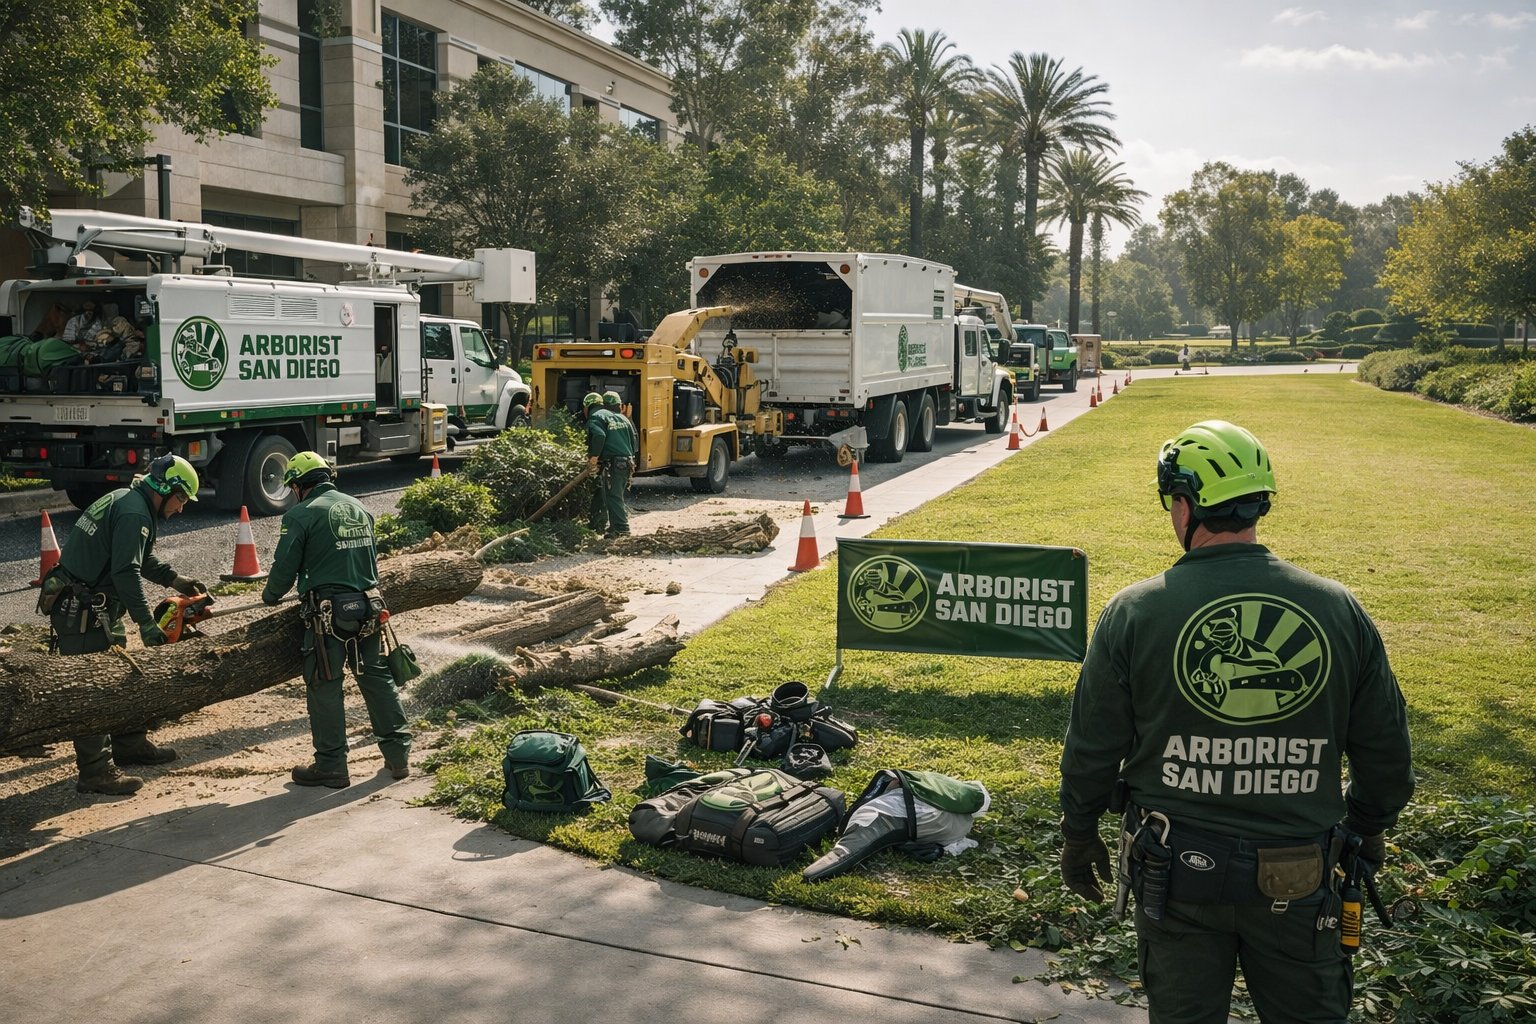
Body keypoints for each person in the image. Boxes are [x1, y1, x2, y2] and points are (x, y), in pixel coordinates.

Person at [1057, 419, 1414, 1024]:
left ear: (1186, 503)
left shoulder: (1135, 611)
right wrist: (1369, 825)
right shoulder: (1337, 607)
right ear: (1257, 504)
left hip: (1176, 874)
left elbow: (1093, 744)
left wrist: (1079, 829)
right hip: (1300, 879)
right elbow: (1385, 747)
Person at [46, 454, 205, 795]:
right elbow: (125, 571)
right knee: (91, 690)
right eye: (181, 499)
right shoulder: (135, 513)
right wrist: (146, 623)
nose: (181, 508)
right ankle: (95, 772)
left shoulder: (128, 500)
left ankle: (128, 744)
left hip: (96, 609)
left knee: (121, 678)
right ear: (164, 488)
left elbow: (137, 557)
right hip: (82, 611)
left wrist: (175, 579)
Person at [262, 452, 410, 788]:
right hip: (369, 608)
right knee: (377, 678)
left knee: (325, 683)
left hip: (327, 617)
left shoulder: (301, 514)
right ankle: (398, 755)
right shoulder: (360, 508)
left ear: (298, 486)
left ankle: (331, 766)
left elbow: (285, 567)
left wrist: (270, 596)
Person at [584, 391, 635, 538]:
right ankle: (601, 525)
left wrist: (594, 458)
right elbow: (634, 441)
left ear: (587, 407)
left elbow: (599, 435)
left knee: (613, 496)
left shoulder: (596, 417)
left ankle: (622, 529)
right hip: (627, 462)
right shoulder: (622, 418)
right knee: (606, 494)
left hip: (614, 463)